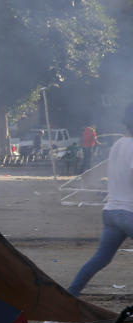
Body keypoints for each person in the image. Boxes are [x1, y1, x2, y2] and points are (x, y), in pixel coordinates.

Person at [67, 104, 133, 296]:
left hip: (111, 212)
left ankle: (71, 294)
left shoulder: (117, 145)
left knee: (100, 259)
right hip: (129, 213)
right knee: (101, 258)